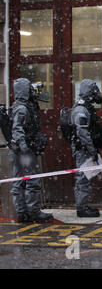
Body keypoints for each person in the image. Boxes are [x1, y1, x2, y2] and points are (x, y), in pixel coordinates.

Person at [9, 78, 53, 223]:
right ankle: (33, 212)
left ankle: (22, 212)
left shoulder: (19, 106)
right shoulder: (22, 109)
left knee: (19, 181)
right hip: (24, 151)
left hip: (19, 150)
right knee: (32, 181)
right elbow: (17, 129)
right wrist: (25, 148)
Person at [71, 79, 102, 218]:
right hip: (83, 149)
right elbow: (82, 132)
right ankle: (82, 208)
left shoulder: (84, 107)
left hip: (85, 149)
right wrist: (92, 150)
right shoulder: (81, 110)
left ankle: (83, 205)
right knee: (83, 178)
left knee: (85, 177)